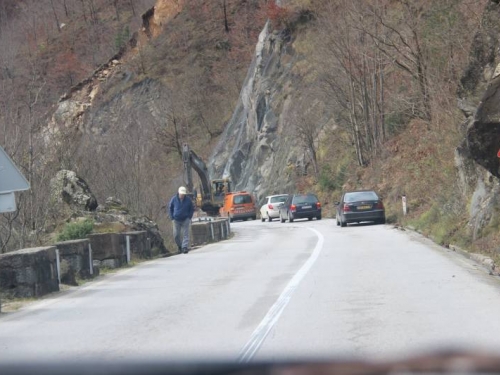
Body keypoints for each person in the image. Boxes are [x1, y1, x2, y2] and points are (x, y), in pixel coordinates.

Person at [168, 186, 194, 254]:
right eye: (181, 194)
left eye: (183, 194)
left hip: (185, 219)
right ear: (178, 193)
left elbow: (191, 208)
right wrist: (172, 217)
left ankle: (184, 247)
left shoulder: (188, 200)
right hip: (176, 220)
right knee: (176, 235)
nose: (182, 195)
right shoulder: (174, 199)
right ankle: (180, 246)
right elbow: (170, 208)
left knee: (186, 234)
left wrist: (189, 217)